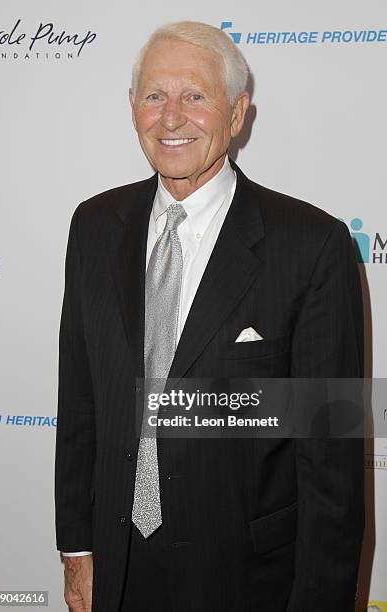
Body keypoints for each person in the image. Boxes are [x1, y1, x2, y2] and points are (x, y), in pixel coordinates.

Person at [55, 20, 365, 612]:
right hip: (116, 568)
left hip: (248, 579)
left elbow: (331, 464)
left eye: (195, 95)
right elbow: (80, 403)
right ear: (132, 107)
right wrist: (77, 550)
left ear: (239, 110)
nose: (171, 118)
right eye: (154, 96)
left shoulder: (311, 245)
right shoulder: (93, 227)